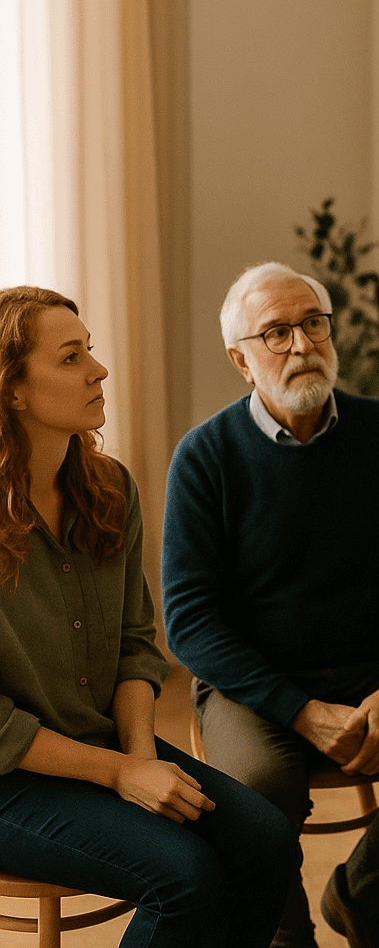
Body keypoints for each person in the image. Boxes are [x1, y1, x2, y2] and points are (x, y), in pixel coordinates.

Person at [0, 285, 296, 948]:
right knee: (183, 876)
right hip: (7, 777)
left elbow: (136, 643)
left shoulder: (109, 488)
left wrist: (138, 754)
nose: (98, 370)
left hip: (104, 743)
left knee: (267, 843)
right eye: (71, 358)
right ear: (12, 390)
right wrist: (122, 774)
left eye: (90, 352)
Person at [161, 262, 379, 948]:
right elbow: (190, 621)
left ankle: (360, 900)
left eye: (312, 323)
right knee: (258, 794)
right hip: (254, 686)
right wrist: (299, 711)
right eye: (275, 333)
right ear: (240, 360)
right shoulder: (205, 457)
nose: (301, 345)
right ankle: (289, 940)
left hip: (376, 670)